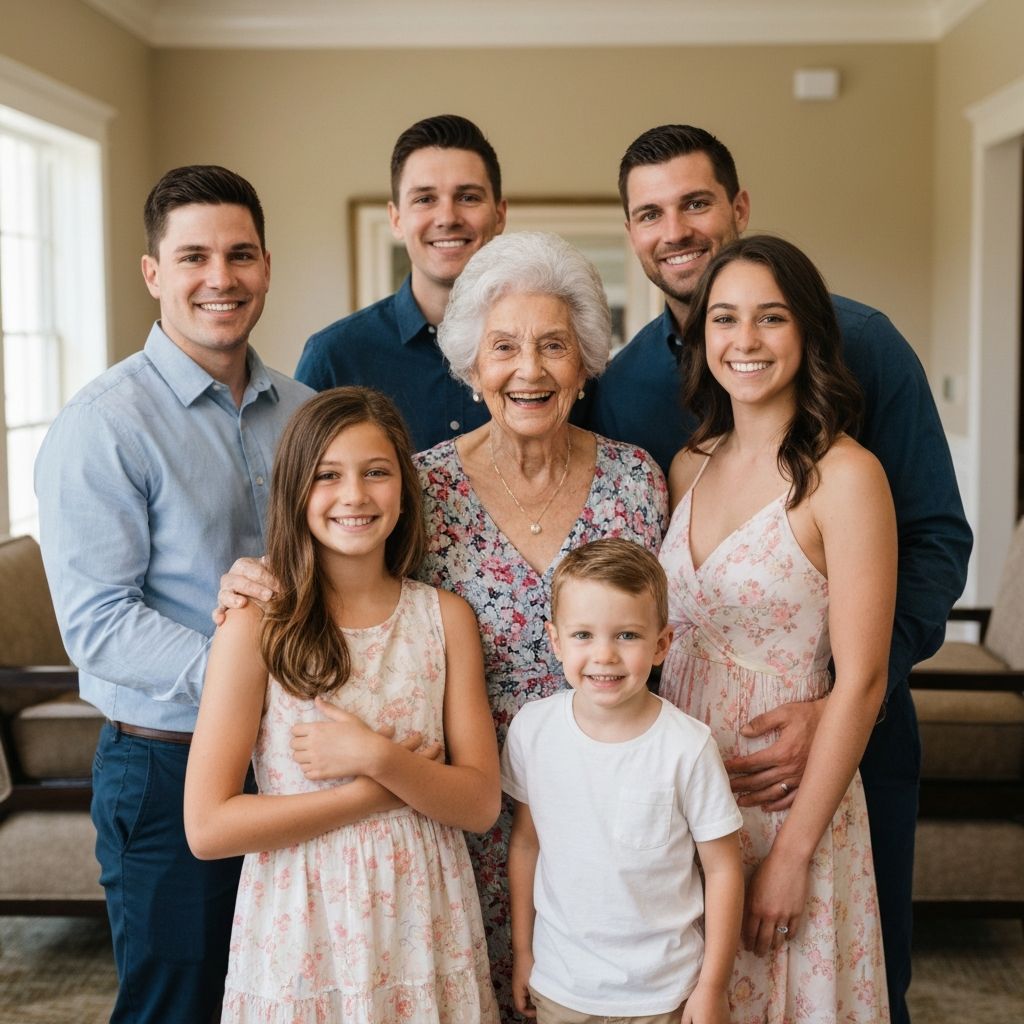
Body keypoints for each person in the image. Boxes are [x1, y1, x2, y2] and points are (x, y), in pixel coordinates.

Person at [219, 232, 669, 1020]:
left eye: (553, 346)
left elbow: (668, 628)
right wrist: (258, 579)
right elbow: (347, 579)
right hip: (446, 831)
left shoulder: (637, 481)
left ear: (586, 360)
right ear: (471, 364)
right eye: (503, 347)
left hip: (606, 804)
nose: (528, 369)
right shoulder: (421, 486)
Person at [589, 124, 972, 1023]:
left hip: (815, 773)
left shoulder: (852, 442)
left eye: (695, 202)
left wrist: (836, 704)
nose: (745, 339)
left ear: (738, 206)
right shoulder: (677, 448)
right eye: (650, 212)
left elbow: (929, 555)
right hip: (690, 778)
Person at [34, 165, 313, 1023]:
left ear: (267, 264)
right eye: (193, 256)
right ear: (153, 273)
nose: (220, 278)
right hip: (165, 764)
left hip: (295, 763)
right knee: (176, 1005)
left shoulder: (305, 412)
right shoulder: (105, 423)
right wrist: (252, 682)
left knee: (288, 994)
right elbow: (101, 627)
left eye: (240, 254)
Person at [184, 387, 500, 1021]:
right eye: (328, 476)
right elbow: (208, 827)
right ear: (296, 492)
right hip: (304, 923)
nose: (354, 495)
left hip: (421, 918)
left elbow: (480, 803)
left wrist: (377, 758)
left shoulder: (444, 620)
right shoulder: (256, 622)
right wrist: (372, 791)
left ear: (405, 490)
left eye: (376, 472)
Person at [659, 234, 895, 1020]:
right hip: (685, 786)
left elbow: (860, 680)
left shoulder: (846, 476)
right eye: (725, 319)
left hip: (786, 795)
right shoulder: (689, 463)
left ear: (808, 333)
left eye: (771, 318)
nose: (746, 341)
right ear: (703, 339)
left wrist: (793, 853)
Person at [503, 538, 744, 1024]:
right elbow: (527, 843)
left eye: (627, 636)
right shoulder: (533, 729)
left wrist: (712, 986)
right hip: (563, 987)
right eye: (584, 635)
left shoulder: (687, 746)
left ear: (661, 645)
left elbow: (723, 870)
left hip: (664, 993)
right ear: (555, 640)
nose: (605, 655)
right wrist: (524, 952)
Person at [295, 114, 507, 451]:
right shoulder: (334, 358)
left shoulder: (542, 351)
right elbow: (301, 493)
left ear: (500, 214)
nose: (448, 217)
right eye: (425, 199)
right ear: (396, 219)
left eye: (467, 197)